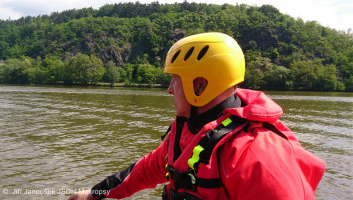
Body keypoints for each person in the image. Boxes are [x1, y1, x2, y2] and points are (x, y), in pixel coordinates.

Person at [69, 32, 325, 200]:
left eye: (174, 80)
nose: (169, 90)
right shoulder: (188, 131)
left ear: (200, 85)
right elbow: (145, 171)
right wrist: (94, 194)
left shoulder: (258, 155)